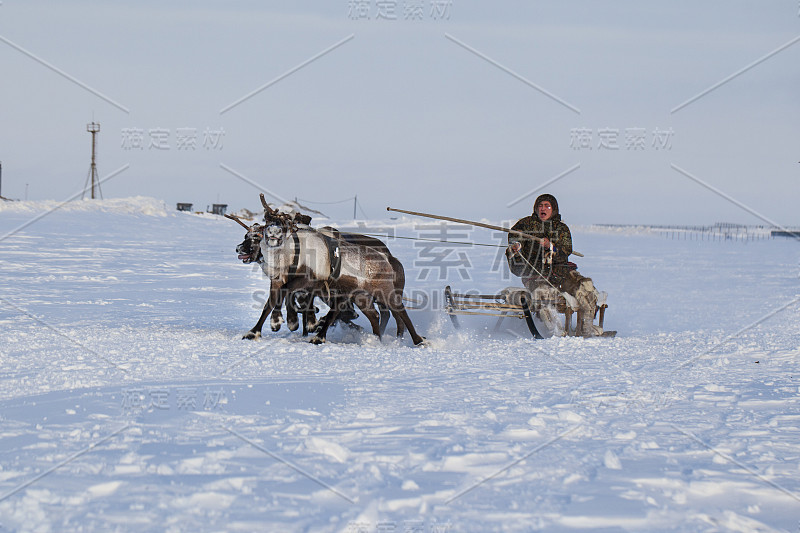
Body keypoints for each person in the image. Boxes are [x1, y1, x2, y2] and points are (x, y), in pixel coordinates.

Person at [506, 193, 604, 337]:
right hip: (535, 274)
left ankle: (586, 329)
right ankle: (557, 332)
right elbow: (514, 236)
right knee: (544, 295)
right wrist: (516, 246)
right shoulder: (525, 224)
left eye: (547, 206)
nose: (543, 209)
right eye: (540, 206)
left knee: (586, 287)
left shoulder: (561, 228)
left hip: (561, 272)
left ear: (554, 209)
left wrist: (550, 246)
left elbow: (566, 250)